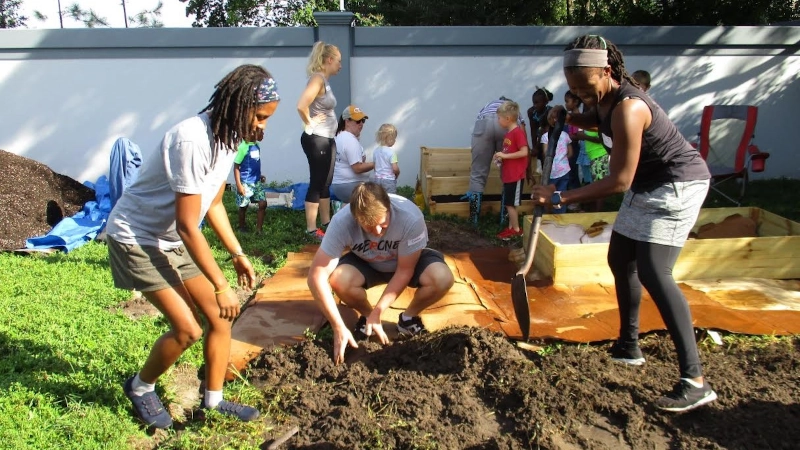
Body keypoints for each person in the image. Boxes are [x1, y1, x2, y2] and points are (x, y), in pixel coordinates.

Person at [531, 34, 716, 412]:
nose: (581, 94)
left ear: (608, 71)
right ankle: (629, 345)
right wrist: (565, 118)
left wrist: (560, 197)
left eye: (586, 86)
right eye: (573, 89)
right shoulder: (604, 100)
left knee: (654, 271)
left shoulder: (630, 107)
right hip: (646, 185)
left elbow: (619, 181)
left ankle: (695, 380)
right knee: (620, 259)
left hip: (676, 185)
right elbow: (595, 118)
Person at [106, 65, 281, 428]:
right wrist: (220, 285)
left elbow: (213, 205)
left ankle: (213, 402)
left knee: (219, 317)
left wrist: (238, 254)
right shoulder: (191, 140)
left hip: (169, 238)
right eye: (261, 116)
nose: (263, 126)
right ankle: (140, 387)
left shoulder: (229, 139)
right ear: (240, 105)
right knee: (188, 329)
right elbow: (188, 225)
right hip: (137, 237)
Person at [307, 182, 455, 364]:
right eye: (368, 227)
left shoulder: (410, 217)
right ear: (355, 218)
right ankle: (368, 316)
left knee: (442, 278)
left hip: (405, 261)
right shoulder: (341, 222)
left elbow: (404, 271)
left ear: (389, 208)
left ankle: (408, 319)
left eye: (383, 225)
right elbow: (316, 276)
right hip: (366, 262)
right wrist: (338, 326)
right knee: (339, 279)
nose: (377, 233)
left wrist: (380, 309)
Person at [297, 41, 341, 240]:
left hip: (328, 138)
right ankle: (311, 229)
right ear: (329, 60)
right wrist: (310, 122)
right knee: (317, 182)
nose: (340, 65)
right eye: (338, 61)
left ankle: (327, 223)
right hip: (317, 139)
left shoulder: (324, 80)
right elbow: (301, 105)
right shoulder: (317, 79)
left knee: (326, 183)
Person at [466, 96, 525, 227]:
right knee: (508, 173)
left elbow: (479, 118)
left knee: (478, 173)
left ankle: (473, 220)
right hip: (506, 126)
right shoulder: (514, 111)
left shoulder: (488, 106)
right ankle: (505, 219)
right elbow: (522, 134)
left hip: (484, 123)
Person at [492, 101, 528, 239]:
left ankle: (516, 230)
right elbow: (510, 152)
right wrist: (501, 158)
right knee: (510, 204)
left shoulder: (517, 133)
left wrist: (505, 155)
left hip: (516, 176)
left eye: (499, 117)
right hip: (509, 175)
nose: (498, 120)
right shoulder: (509, 134)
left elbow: (524, 152)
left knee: (509, 204)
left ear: (507, 118)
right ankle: (513, 227)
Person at [331, 105, 374, 203]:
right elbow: (357, 168)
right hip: (351, 185)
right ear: (347, 121)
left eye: (363, 120)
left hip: (339, 185)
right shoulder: (349, 140)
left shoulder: (339, 136)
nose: (361, 124)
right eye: (358, 121)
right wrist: (376, 163)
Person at [539, 106, 573, 214]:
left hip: (552, 171)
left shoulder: (545, 137)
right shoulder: (566, 135)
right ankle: (560, 214)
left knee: (549, 193)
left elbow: (545, 153)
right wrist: (562, 160)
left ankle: (548, 214)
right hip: (564, 170)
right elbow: (571, 153)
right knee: (561, 193)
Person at [233, 128, 267, 233]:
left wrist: (259, 175)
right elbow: (236, 166)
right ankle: (242, 227)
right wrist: (239, 185)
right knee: (244, 206)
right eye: (260, 132)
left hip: (256, 181)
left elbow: (253, 163)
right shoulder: (243, 147)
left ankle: (259, 229)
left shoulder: (256, 145)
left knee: (263, 204)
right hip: (245, 183)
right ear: (250, 133)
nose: (262, 134)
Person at [526, 87, 554, 172]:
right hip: (540, 140)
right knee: (541, 159)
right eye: (534, 103)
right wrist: (534, 147)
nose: (535, 105)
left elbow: (545, 131)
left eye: (538, 103)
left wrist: (537, 148)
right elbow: (533, 130)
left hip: (551, 139)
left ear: (545, 102)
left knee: (547, 158)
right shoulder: (532, 112)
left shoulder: (550, 112)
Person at [371, 123, 400, 194]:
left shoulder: (376, 151)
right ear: (390, 139)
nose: (395, 141)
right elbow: (395, 168)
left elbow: (375, 166)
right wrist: (397, 173)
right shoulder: (392, 153)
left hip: (377, 179)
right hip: (388, 180)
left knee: (379, 198)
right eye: (394, 138)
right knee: (390, 199)